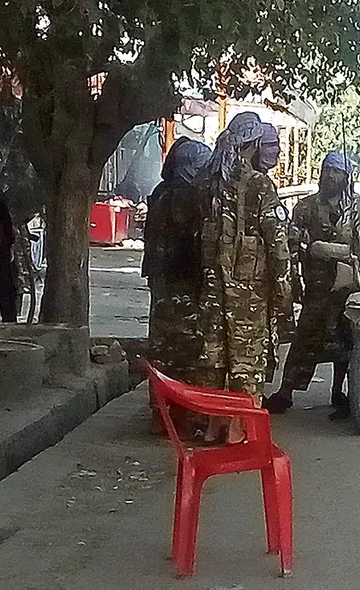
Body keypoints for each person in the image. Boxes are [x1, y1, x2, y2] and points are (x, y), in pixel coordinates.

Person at [197, 112, 293, 443]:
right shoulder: (258, 184)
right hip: (249, 288)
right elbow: (276, 240)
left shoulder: (210, 179)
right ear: (252, 145)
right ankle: (240, 429)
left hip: (212, 283)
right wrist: (284, 285)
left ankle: (213, 425)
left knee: (215, 354)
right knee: (248, 357)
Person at [263, 153, 360, 419]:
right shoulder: (306, 207)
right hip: (317, 285)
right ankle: (286, 392)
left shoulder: (359, 208)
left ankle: (341, 393)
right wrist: (293, 279)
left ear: (347, 177)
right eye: (327, 170)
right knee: (306, 336)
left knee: (347, 339)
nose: (331, 176)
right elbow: (291, 244)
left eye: (337, 171)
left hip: (349, 286)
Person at [142, 137, 214, 439]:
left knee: (163, 350)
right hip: (179, 286)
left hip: (164, 284)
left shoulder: (162, 193)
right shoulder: (184, 199)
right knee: (183, 353)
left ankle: (164, 415)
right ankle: (181, 419)